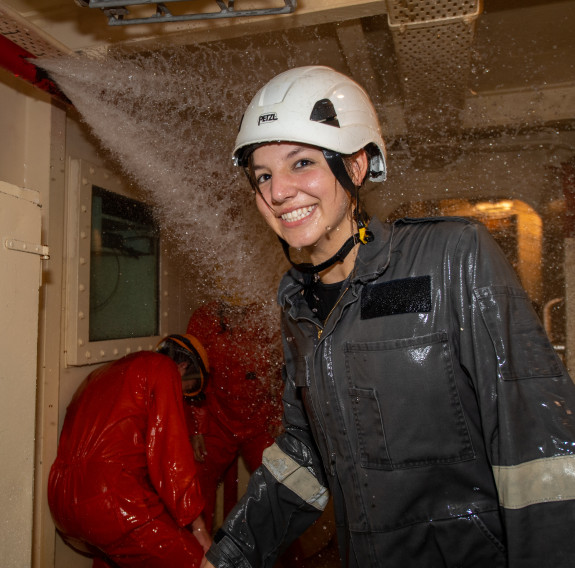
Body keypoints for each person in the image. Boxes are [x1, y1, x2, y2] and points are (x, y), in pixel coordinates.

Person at [201, 66, 575, 568]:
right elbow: (305, 453)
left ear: (355, 166)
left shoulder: (451, 255)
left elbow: (538, 447)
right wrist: (229, 556)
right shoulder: (295, 301)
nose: (278, 192)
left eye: (302, 163)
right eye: (263, 175)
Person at [48, 334, 212, 568]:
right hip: (112, 504)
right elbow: (171, 455)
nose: (182, 397)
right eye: (186, 389)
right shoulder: (164, 368)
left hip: (62, 504)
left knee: (111, 556)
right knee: (198, 562)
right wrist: (199, 528)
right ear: (183, 367)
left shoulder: (105, 372)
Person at [185, 299, 284, 534]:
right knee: (197, 486)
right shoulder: (204, 318)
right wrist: (196, 427)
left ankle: (291, 559)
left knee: (279, 489)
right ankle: (202, 554)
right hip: (218, 419)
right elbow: (193, 377)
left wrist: (278, 417)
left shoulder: (267, 316)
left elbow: (280, 370)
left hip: (259, 420)